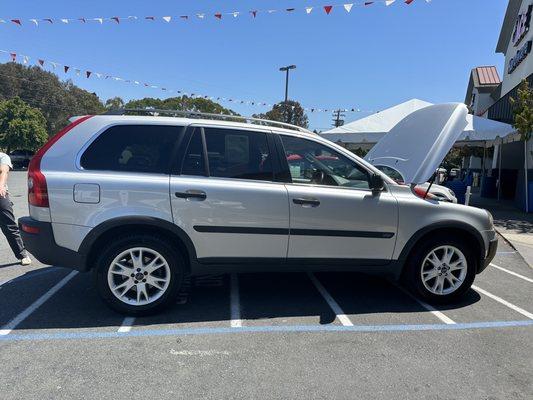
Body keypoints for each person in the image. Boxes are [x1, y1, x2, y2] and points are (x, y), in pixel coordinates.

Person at [0, 152, 31, 266]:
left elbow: (4, 171)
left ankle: (22, 255)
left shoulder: (3, 157)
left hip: (0, 194)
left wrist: (1, 185)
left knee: (9, 227)